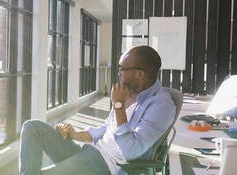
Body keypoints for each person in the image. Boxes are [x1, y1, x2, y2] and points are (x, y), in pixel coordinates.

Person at [19, 46, 176, 175]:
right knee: (32, 127)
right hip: (89, 152)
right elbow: (105, 130)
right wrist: (75, 135)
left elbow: (131, 151)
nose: (119, 73)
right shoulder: (128, 93)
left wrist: (118, 105)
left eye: (122, 69)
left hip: (106, 166)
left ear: (140, 74)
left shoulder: (162, 105)